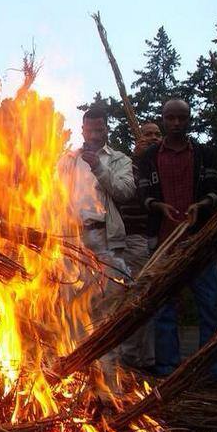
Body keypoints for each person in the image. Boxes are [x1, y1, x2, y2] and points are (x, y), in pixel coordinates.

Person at [138, 99, 217, 383]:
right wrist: (158, 206)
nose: (176, 122)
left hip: (199, 242)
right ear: (163, 119)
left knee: (210, 304)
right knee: (164, 305)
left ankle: (212, 367)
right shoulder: (149, 156)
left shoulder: (205, 154)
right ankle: (168, 368)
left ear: (189, 119)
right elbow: (142, 194)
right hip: (165, 242)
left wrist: (200, 205)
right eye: (170, 117)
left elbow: (215, 188)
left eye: (182, 117)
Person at [58, 107, 135, 390]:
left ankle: (110, 383)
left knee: (107, 312)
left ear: (107, 130)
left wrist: (99, 168)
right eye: (89, 130)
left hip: (105, 239)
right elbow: (52, 196)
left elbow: (126, 191)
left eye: (100, 130)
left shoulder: (118, 160)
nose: (94, 135)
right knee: (74, 308)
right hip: (72, 240)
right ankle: (80, 382)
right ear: (82, 130)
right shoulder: (67, 160)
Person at [118, 122, 162, 371]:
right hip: (133, 238)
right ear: (138, 140)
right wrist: (138, 157)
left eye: (157, 134)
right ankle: (133, 357)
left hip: (158, 237)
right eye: (147, 134)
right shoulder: (131, 165)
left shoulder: (163, 164)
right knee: (132, 297)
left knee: (148, 297)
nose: (153, 138)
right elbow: (125, 193)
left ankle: (147, 358)